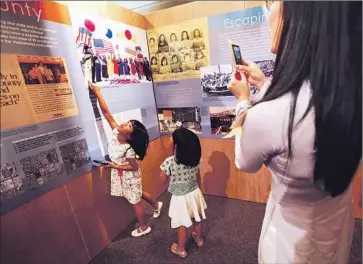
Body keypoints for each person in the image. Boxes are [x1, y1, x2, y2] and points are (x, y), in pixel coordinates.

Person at [227, 2, 361, 264]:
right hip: (338, 224)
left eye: (272, 2)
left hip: (289, 245)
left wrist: (243, 102)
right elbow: (298, 112)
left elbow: (244, 161)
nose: (268, 11)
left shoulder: (269, 116)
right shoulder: (351, 95)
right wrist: (264, 84)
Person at [89, 82, 163, 237]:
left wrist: (116, 166)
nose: (124, 123)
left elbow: (134, 167)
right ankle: (156, 204)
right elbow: (107, 113)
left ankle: (144, 227)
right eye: (128, 122)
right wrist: (97, 92)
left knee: (135, 202)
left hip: (129, 176)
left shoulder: (128, 149)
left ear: (130, 136)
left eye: (128, 126)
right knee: (138, 194)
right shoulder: (117, 132)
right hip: (123, 174)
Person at [160, 127, 207, 258]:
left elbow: (161, 180)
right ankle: (199, 240)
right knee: (196, 217)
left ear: (176, 145)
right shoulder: (196, 159)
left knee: (182, 223)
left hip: (180, 197)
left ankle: (181, 249)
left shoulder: (169, 162)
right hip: (194, 192)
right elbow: (198, 177)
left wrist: (169, 152)